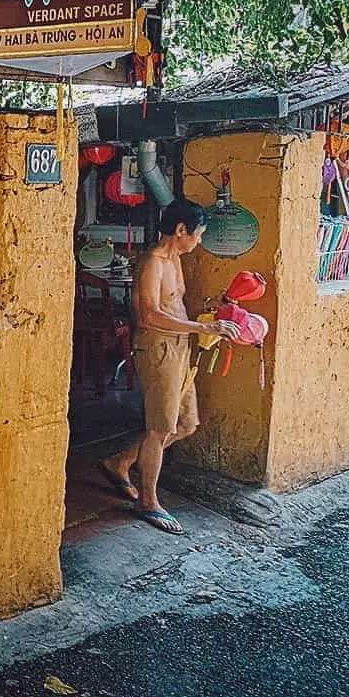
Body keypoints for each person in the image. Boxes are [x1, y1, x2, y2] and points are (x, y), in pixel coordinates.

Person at [99, 199, 240, 535]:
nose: (199, 241)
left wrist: (212, 308)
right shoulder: (153, 262)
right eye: (199, 234)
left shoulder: (175, 258)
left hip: (180, 348)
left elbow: (173, 305)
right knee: (160, 428)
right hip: (158, 349)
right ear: (181, 230)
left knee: (187, 423)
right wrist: (204, 329)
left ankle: (120, 463)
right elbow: (149, 315)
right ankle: (147, 500)